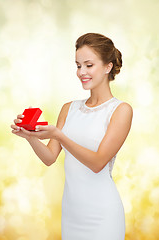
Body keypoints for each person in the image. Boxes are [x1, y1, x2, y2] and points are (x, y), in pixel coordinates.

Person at [11, 33, 133, 240]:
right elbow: (50, 157)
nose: (81, 72)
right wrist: (30, 137)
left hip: (103, 215)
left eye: (88, 65)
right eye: (78, 65)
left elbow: (97, 163)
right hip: (72, 214)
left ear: (107, 67)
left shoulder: (120, 110)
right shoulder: (69, 108)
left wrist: (60, 135)